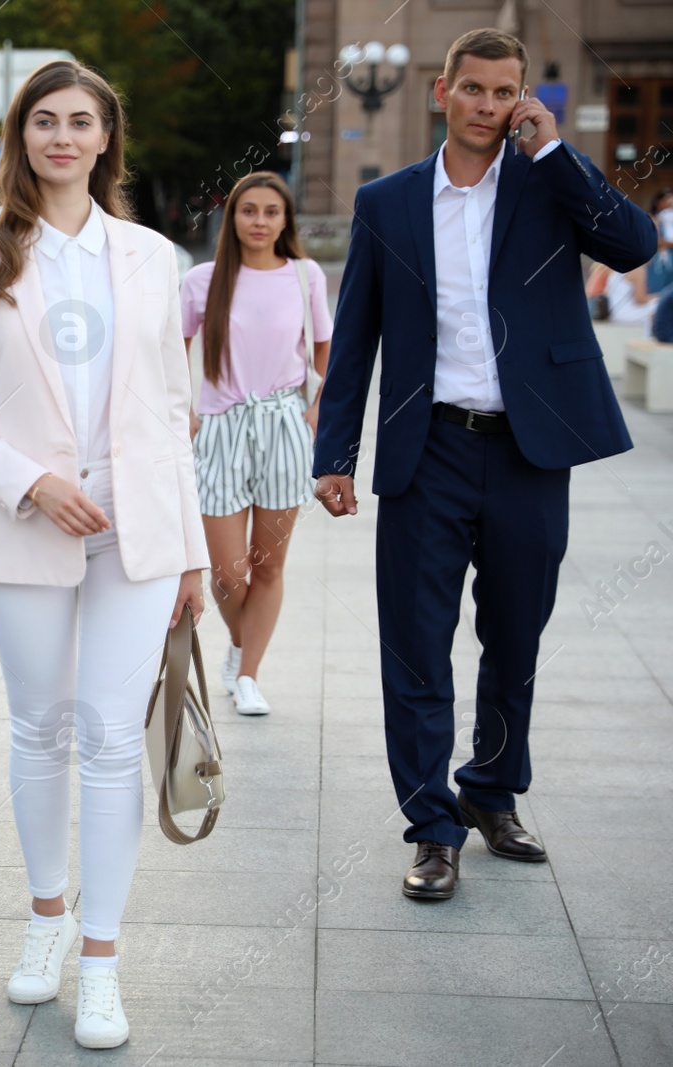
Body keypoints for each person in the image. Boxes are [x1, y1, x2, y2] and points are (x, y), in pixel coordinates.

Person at [313, 28, 655, 901]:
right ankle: (432, 828)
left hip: (530, 456)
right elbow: (355, 337)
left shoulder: (549, 187)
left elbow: (636, 245)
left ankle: (492, 792)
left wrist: (560, 155)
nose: (489, 107)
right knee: (417, 647)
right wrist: (336, 453)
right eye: (474, 90)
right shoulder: (387, 202)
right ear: (442, 92)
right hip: (429, 452)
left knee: (514, 640)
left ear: (523, 102)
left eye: (507, 94)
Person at [0, 59, 209, 1050]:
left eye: (78, 120)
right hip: (26, 524)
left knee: (110, 736)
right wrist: (28, 481)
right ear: (21, 138)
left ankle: (100, 956)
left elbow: (171, 410)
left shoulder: (147, 256)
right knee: (40, 728)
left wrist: (192, 554)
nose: (60, 136)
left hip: (138, 528)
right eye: (42, 120)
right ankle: (44, 916)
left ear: (103, 138)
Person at [181, 171, 331, 715]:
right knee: (227, 571)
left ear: (285, 220)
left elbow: (322, 346)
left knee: (268, 566)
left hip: (284, 426)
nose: (260, 221)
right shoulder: (204, 279)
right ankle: (243, 642)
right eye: (249, 211)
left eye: (271, 211)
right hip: (222, 428)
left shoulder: (304, 276)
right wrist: (187, 410)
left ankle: (247, 676)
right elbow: (175, 349)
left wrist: (314, 408)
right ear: (233, 217)